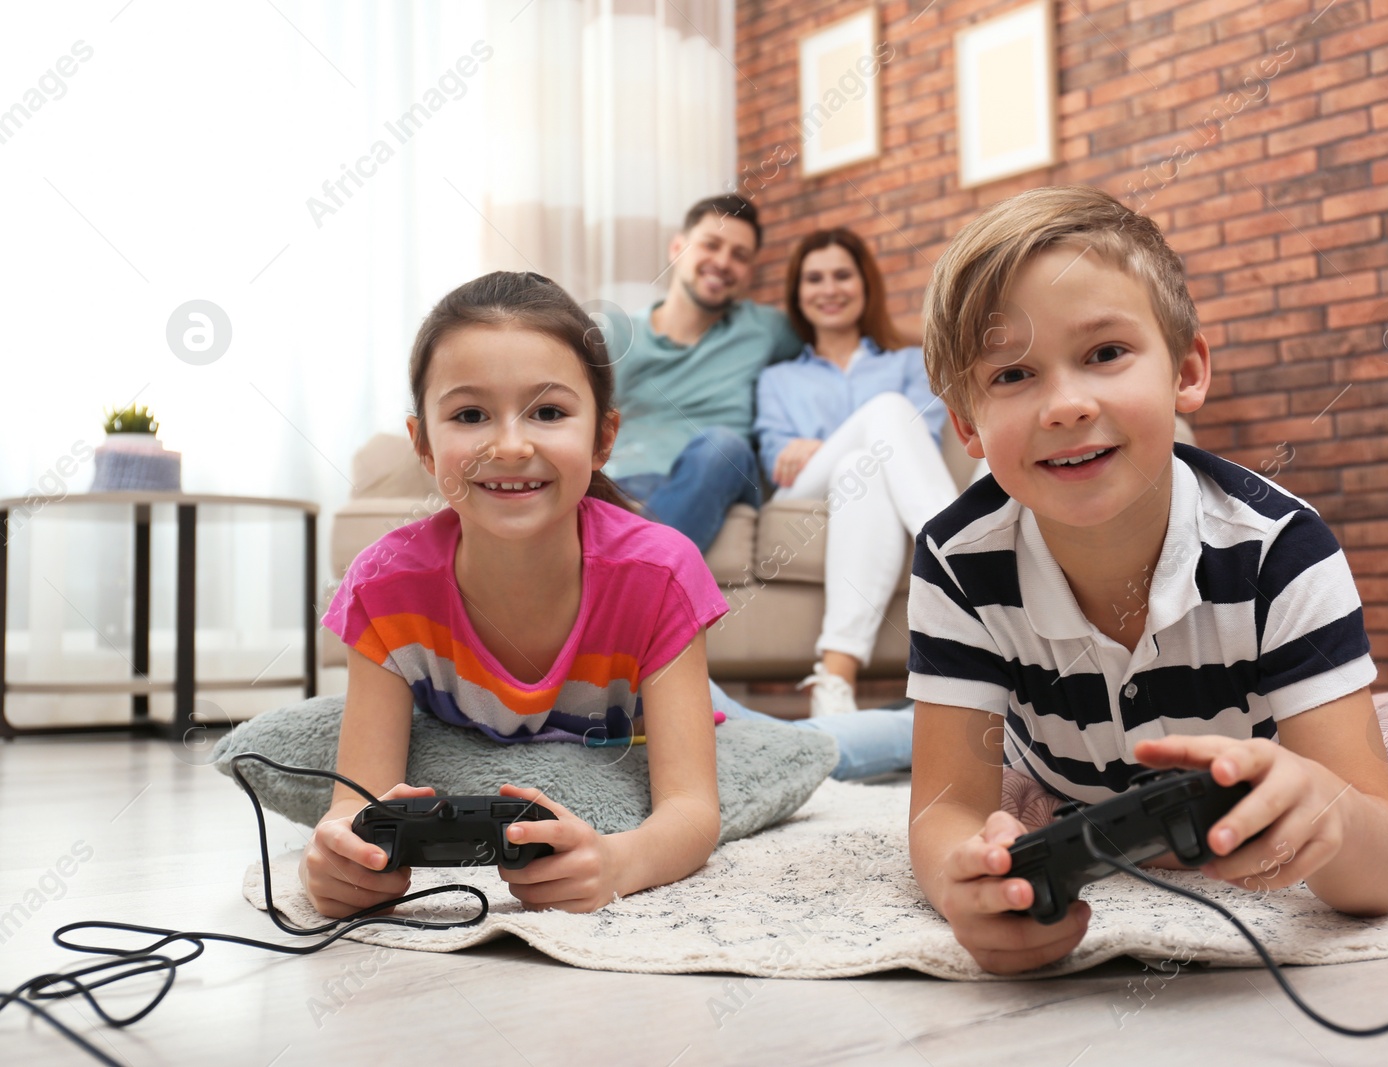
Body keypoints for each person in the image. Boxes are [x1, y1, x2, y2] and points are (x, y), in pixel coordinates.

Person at [903, 185, 1388, 975]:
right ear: (969, 425)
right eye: (1013, 374)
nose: (1067, 404)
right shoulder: (955, 559)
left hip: (1274, 750)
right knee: (1013, 818)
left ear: (1187, 371)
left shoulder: (1283, 548)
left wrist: (1329, 816)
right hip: (1068, 774)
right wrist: (967, 886)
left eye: (1105, 354)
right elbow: (943, 810)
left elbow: (1381, 873)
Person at [302, 271, 912, 919]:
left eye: (549, 411)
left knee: (817, 746)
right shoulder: (383, 586)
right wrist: (343, 856)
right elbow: (355, 801)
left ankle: (918, 724)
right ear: (423, 442)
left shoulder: (660, 572)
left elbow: (690, 809)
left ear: (603, 437)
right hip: (590, 709)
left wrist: (618, 862)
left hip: (667, 700)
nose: (511, 445)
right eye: (470, 414)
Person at [754, 229, 958, 717]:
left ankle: (834, 681)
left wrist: (836, 446)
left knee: (856, 466)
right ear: (798, 294)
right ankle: (963, 554)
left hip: (866, 486)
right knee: (885, 411)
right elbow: (778, 460)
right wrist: (822, 445)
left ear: (864, 284)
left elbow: (917, 443)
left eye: (842, 275)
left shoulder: (909, 362)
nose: (829, 289)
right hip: (802, 497)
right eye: (815, 278)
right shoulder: (778, 378)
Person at [604, 195, 804, 553]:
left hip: (720, 472)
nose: (723, 262)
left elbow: (856, 329)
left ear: (749, 274)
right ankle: (642, 561)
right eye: (711, 245)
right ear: (677, 248)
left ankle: (639, 571)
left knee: (722, 445)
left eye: (740, 256)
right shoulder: (619, 335)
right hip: (625, 484)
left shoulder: (764, 330)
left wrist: (934, 330)